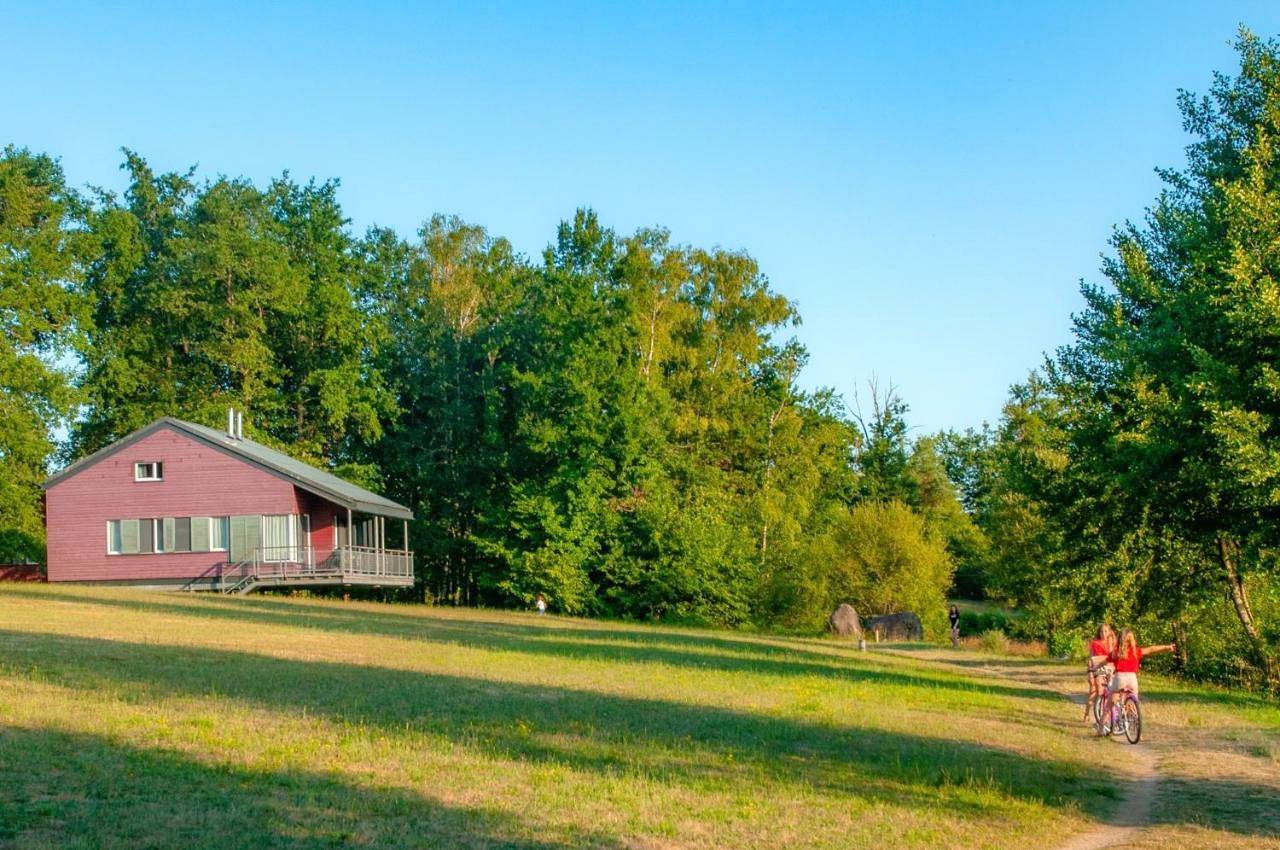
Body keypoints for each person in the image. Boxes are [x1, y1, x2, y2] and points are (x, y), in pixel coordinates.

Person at [1100, 628, 1176, 731]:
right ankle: (1132, 714)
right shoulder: (1136, 651)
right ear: (1132, 640)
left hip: (1120, 678)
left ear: (1119, 639)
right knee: (1131, 699)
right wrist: (1167, 647)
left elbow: (1104, 661)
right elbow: (1151, 649)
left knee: (1110, 704)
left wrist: (1094, 668)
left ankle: (1100, 729)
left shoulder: (1116, 652)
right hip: (1132, 679)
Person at [1084, 624, 1116, 723]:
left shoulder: (1112, 642)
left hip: (1110, 668)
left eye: (1106, 631)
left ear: (1109, 632)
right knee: (1095, 691)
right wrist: (1090, 672)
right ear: (1099, 632)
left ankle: (1108, 713)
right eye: (1101, 631)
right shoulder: (1095, 643)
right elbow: (1091, 660)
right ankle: (1087, 713)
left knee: (1113, 689)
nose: (1103, 634)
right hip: (1098, 668)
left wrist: (1111, 642)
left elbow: (1114, 656)